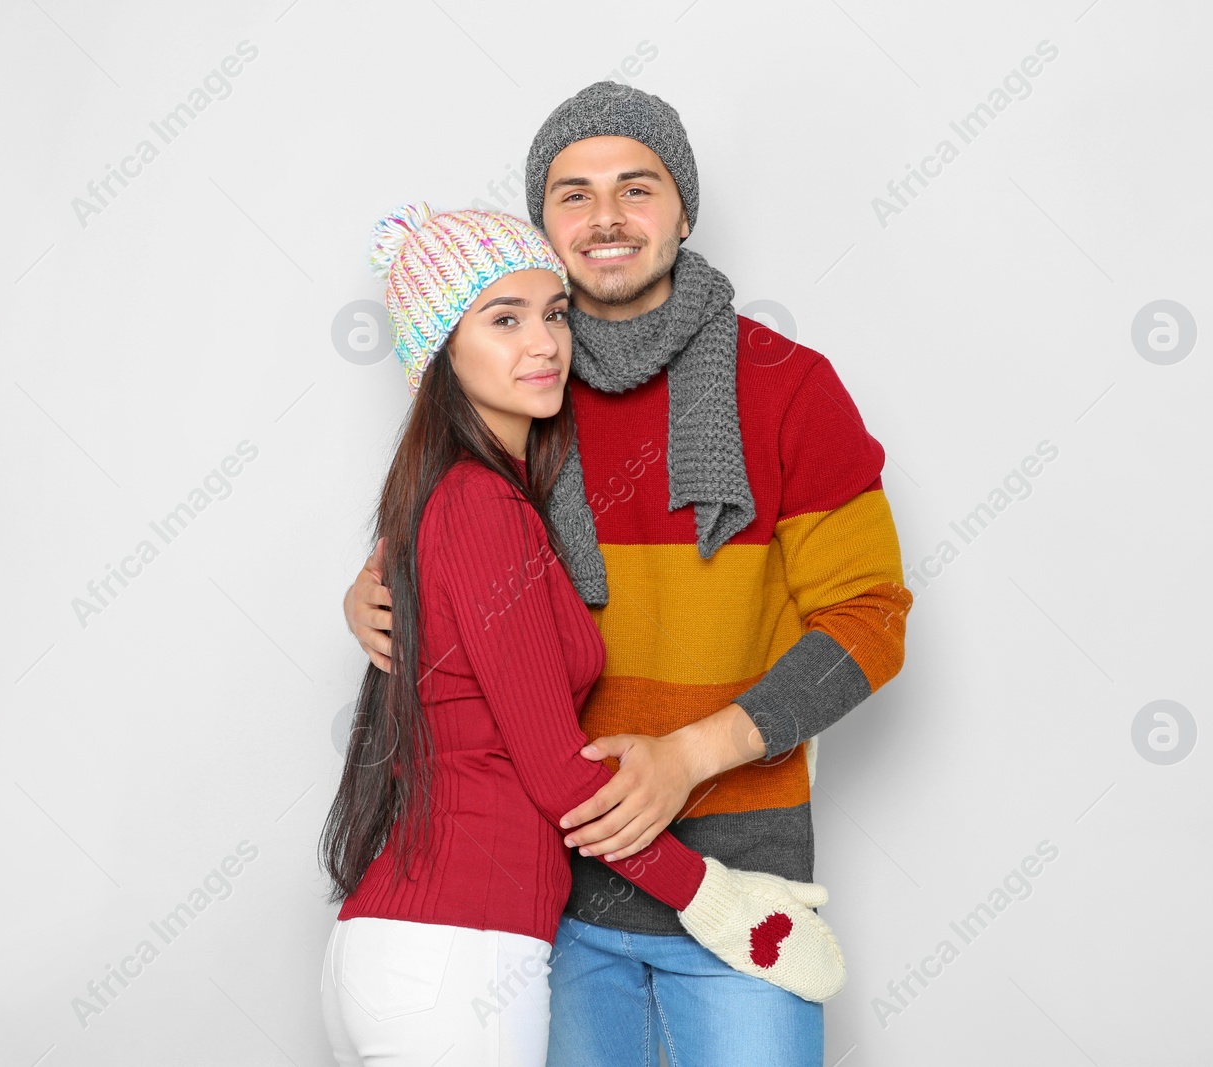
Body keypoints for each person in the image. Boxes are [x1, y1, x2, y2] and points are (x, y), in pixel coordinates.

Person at [342, 86, 914, 1065]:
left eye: (636, 188)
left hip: (735, 884)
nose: (605, 218)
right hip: (546, 903)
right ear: (542, 223)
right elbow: (457, 520)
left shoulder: (789, 388)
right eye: (572, 194)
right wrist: (378, 584)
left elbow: (870, 619)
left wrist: (688, 754)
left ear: (683, 209)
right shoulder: (521, 386)